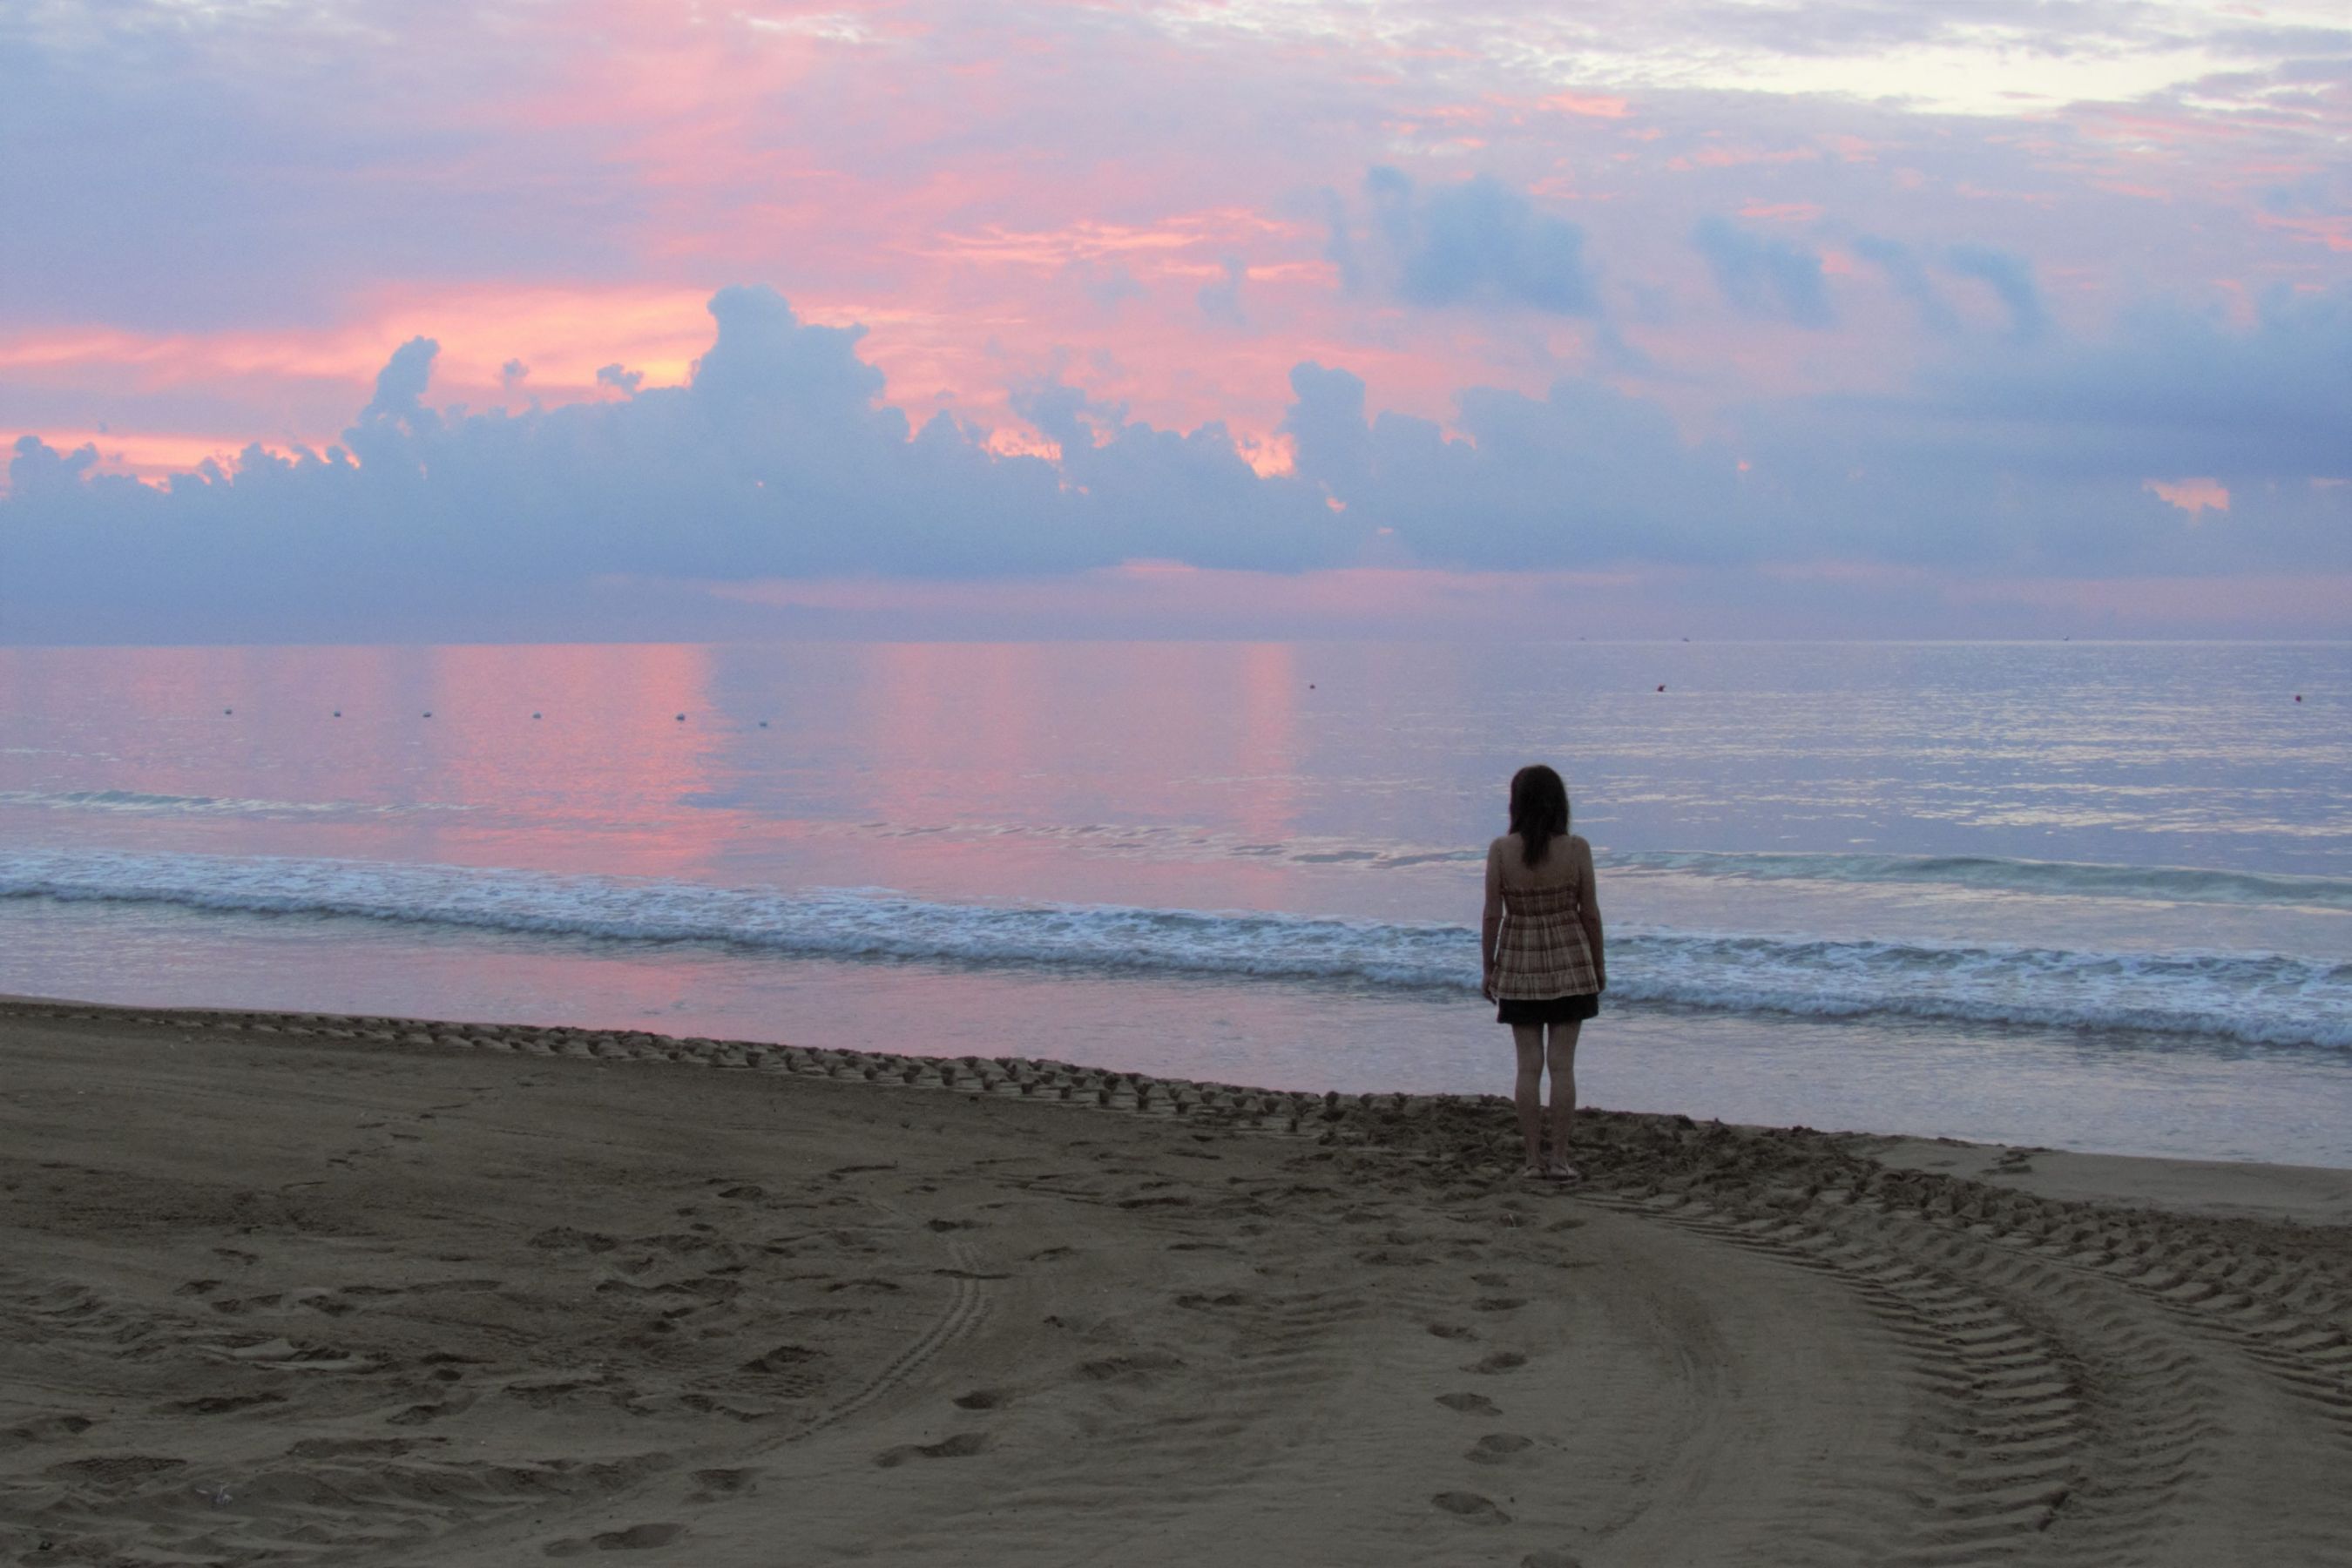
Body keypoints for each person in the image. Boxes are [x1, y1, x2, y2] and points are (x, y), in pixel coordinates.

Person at [1481, 764, 1605, 1180]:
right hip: (1571, 960)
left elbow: (1491, 918)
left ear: (1517, 803)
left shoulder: (1501, 850)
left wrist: (1489, 968)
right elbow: (1589, 914)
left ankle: (1532, 1160)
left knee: (1528, 1066)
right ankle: (1561, 1160)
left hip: (1520, 961)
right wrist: (1599, 965)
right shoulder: (1576, 849)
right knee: (1563, 1066)